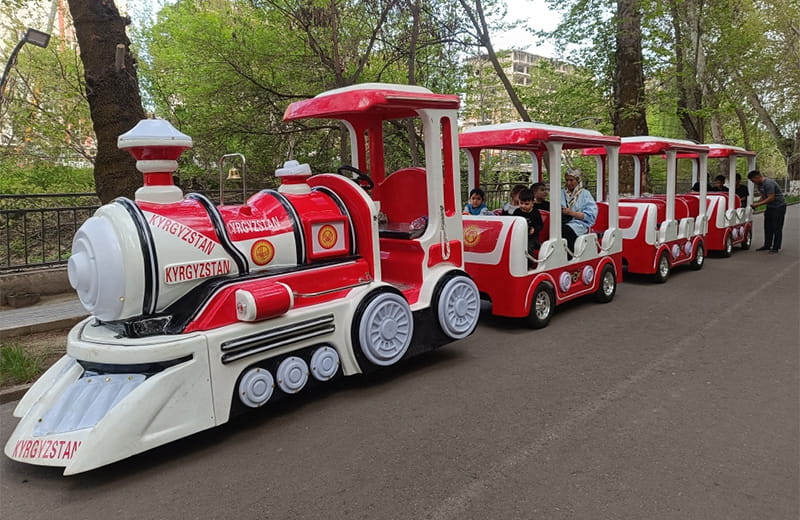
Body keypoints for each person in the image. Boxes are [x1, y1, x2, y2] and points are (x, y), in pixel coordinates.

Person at [748, 170, 786, 253]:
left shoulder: (768, 183)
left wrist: (758, 205)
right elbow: (763, 196)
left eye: (753, 180)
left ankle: (776, 247)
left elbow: (771, 198)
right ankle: (767, 245)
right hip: (770, 207)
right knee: (768, 226)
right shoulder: (759, 185)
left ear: (757, 177)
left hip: (779, 206)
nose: (753, 182)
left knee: (777, 227)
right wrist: (756, 203)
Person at [560, 169, 597, 254]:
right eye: (567, 180)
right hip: (561, 221)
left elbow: (590, 216)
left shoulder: (585, 194)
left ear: (578, 180)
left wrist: (571, 213)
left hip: (579, 224)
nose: (568, 183)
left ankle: (569, 256)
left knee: (565, 230)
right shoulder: (561, 192)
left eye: (571, 180)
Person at [513, 188, 544, 254]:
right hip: (519, 236)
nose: (523, 206)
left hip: (532, 238)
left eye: (526, 204)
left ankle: (529, 263)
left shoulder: (535, 213)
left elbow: (540, 225)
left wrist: (534, 229)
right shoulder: (517, 211)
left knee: (528, 247)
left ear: (532, 203)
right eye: (521, 203)